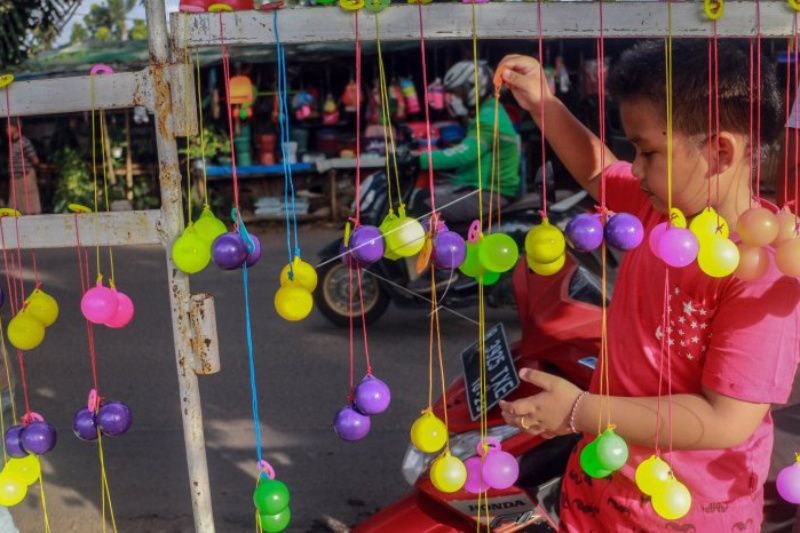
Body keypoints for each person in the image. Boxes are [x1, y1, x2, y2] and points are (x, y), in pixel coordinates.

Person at [497, 40, 800, 532]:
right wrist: (541, 101)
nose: (634, 169)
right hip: (600, 486)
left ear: (719, 150)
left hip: (688, 513)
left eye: (647, 151)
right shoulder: (657, 209)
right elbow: (598, 171)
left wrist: (579, 411)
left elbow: (728, 419)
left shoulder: (762, 274)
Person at [419, 60, 521, 223]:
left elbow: (465, 154)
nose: (452, 99)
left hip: (490, 193)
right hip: (479, 188)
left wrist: (419, 159)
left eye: (457, 92)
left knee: (422, 204)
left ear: (474, 88)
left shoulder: (488, 116)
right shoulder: (489, 110)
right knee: (424, 194)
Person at [7, 124, 41, 215]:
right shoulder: (12, 143)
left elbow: (35, 160)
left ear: (15, 128)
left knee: (30, 206)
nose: (7, 130)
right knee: (16, 207)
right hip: (15, 178)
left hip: (25, 176)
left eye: (8, 127)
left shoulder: (24, 142)